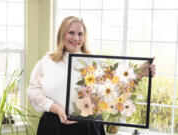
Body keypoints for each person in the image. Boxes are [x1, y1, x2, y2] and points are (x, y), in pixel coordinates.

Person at [27, 16, 156, 135]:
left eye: (80, 34)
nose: (76, 38)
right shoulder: (47, 61)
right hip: (53, 127)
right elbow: (33, 91)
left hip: (87, 128)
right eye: (71, 32)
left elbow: (113, 90)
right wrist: (57, 109)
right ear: (62, 34)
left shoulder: (93, 63)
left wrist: (139, 74)